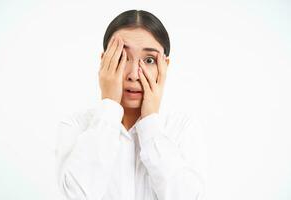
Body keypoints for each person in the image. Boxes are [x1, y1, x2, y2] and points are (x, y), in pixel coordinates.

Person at [55, 9, 207, 200]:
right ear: (104, 62)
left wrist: (151, 123)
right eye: (121, 57)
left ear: (165, 66)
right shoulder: (76, 125)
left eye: (149, 60)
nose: (134, 74)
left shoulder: (182, 128)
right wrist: (109, 105)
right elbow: (76, 195)